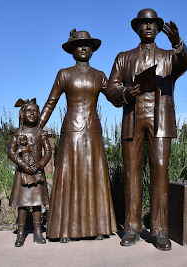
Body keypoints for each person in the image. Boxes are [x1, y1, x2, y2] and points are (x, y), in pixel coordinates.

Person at [107, 8, 187, 251]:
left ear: (157, 28)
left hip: (161, 117)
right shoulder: (123, 57)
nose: (148, 27)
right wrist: (125, 92)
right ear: (137, 28)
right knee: (132, 173)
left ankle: (159, 230)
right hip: (133, 116)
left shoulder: (168, 56)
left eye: (152, 24)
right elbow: (111, 89)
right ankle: (132, 227)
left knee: (160, 171)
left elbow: (186, 62)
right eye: (143, 24)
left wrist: (178, 42)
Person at [39, 29, 117, 242]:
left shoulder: (99, 75)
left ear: (92, 51)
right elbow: (50, 102)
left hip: (93, 132)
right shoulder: (64, 74)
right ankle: (65, 229)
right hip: (71, 132)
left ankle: (98, 227)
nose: (83, 48)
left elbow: (113, 95)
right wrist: (37, 127)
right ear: (72, 50)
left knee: (95, 177)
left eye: (87, 45)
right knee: (69, 177)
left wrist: (126, 92)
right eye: (79, 45)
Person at [7, 98, 51, 247]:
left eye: (35, 111)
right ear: (22, 114)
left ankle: (38, 232)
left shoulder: (41, 133)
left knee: (37, 203)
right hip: (23, 174)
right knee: (23, 204)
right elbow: (11, 152)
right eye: (29, 111)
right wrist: (23, 164)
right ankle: (20, 234)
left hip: (38, 172)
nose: (32, 113)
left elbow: (48, 152)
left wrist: (40, 164)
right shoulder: (17, 133)